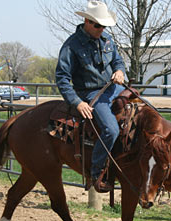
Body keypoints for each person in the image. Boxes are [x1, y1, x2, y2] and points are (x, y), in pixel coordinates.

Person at [56, 1, 126, 193]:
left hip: (113, 88)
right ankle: (96, 173)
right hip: (91, 93)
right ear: (87, 21)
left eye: (104, 25)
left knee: (147, 112)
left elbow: (118, 60)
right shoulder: (71, 46)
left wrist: (119, 71)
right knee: (111, 130)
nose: (101, 29)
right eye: (97, 25)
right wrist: (77, 102)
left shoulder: (107, 40)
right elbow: (62, 78)